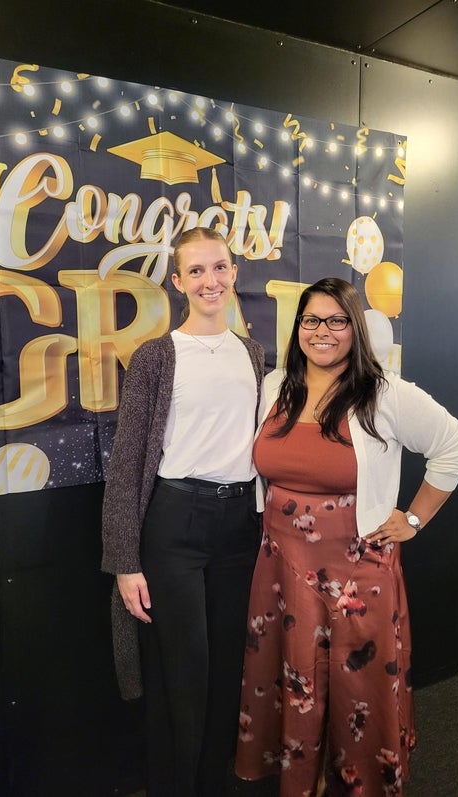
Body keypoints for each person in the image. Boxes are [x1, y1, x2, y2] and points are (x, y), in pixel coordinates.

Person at [234, 277, 458, 797]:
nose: (323, 332)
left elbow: (456, 448)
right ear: (298, 327)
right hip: (280, 567)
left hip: (355, 573)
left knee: (356, 689)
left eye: (337, 320)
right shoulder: (276, 387)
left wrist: (412, 519)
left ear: (356, 329)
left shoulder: (384, 393)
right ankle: (304, 781)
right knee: (293, 680)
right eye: (311, 320)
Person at [101, 227, 265, 797]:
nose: (209, 280)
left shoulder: (252, 353)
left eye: (218, 267)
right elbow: (126, 465)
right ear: (177, 282)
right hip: (174, 525)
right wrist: (125, 561)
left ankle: (212, 783)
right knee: (183, 674)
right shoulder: (155, 357)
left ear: (234, 272)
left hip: (239, 527)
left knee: (228, 670)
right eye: (195, 271)